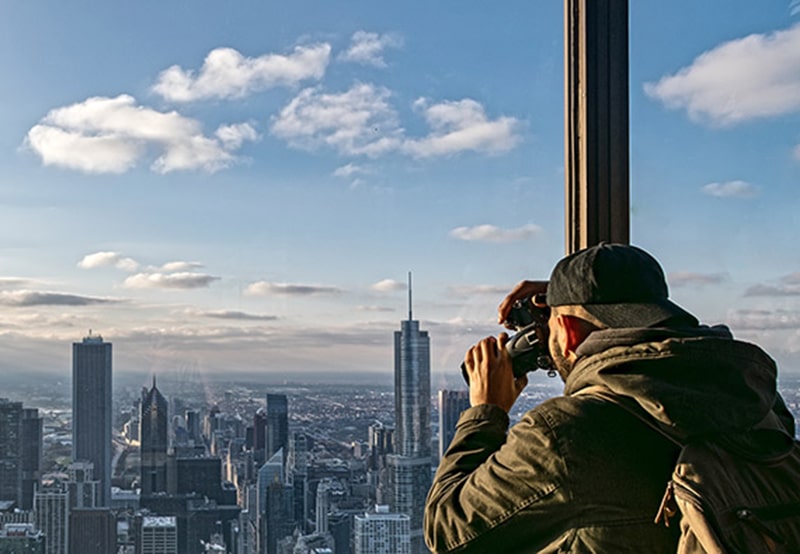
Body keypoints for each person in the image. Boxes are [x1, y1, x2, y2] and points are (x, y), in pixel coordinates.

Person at [424, 243, 795, 553]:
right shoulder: (756, 399)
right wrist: (568, 300)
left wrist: (486, 411)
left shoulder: (562, 434)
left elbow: (447, 532)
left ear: (567, 333)